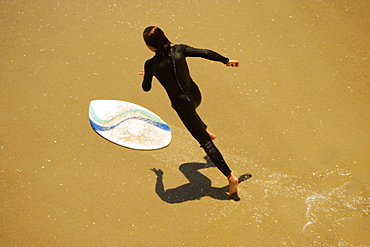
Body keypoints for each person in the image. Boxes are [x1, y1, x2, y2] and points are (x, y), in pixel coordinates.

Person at [138, 26, 240, 199]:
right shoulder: (180, 49)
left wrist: (149, 74)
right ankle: (205, 129)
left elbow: (146, 88)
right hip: (196, 96)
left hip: (182, 106)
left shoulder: (151, 65)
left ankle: (230, 177)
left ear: (149, 46)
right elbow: (205, 52)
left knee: (205, 143)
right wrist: (226, 60)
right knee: (192, 114)